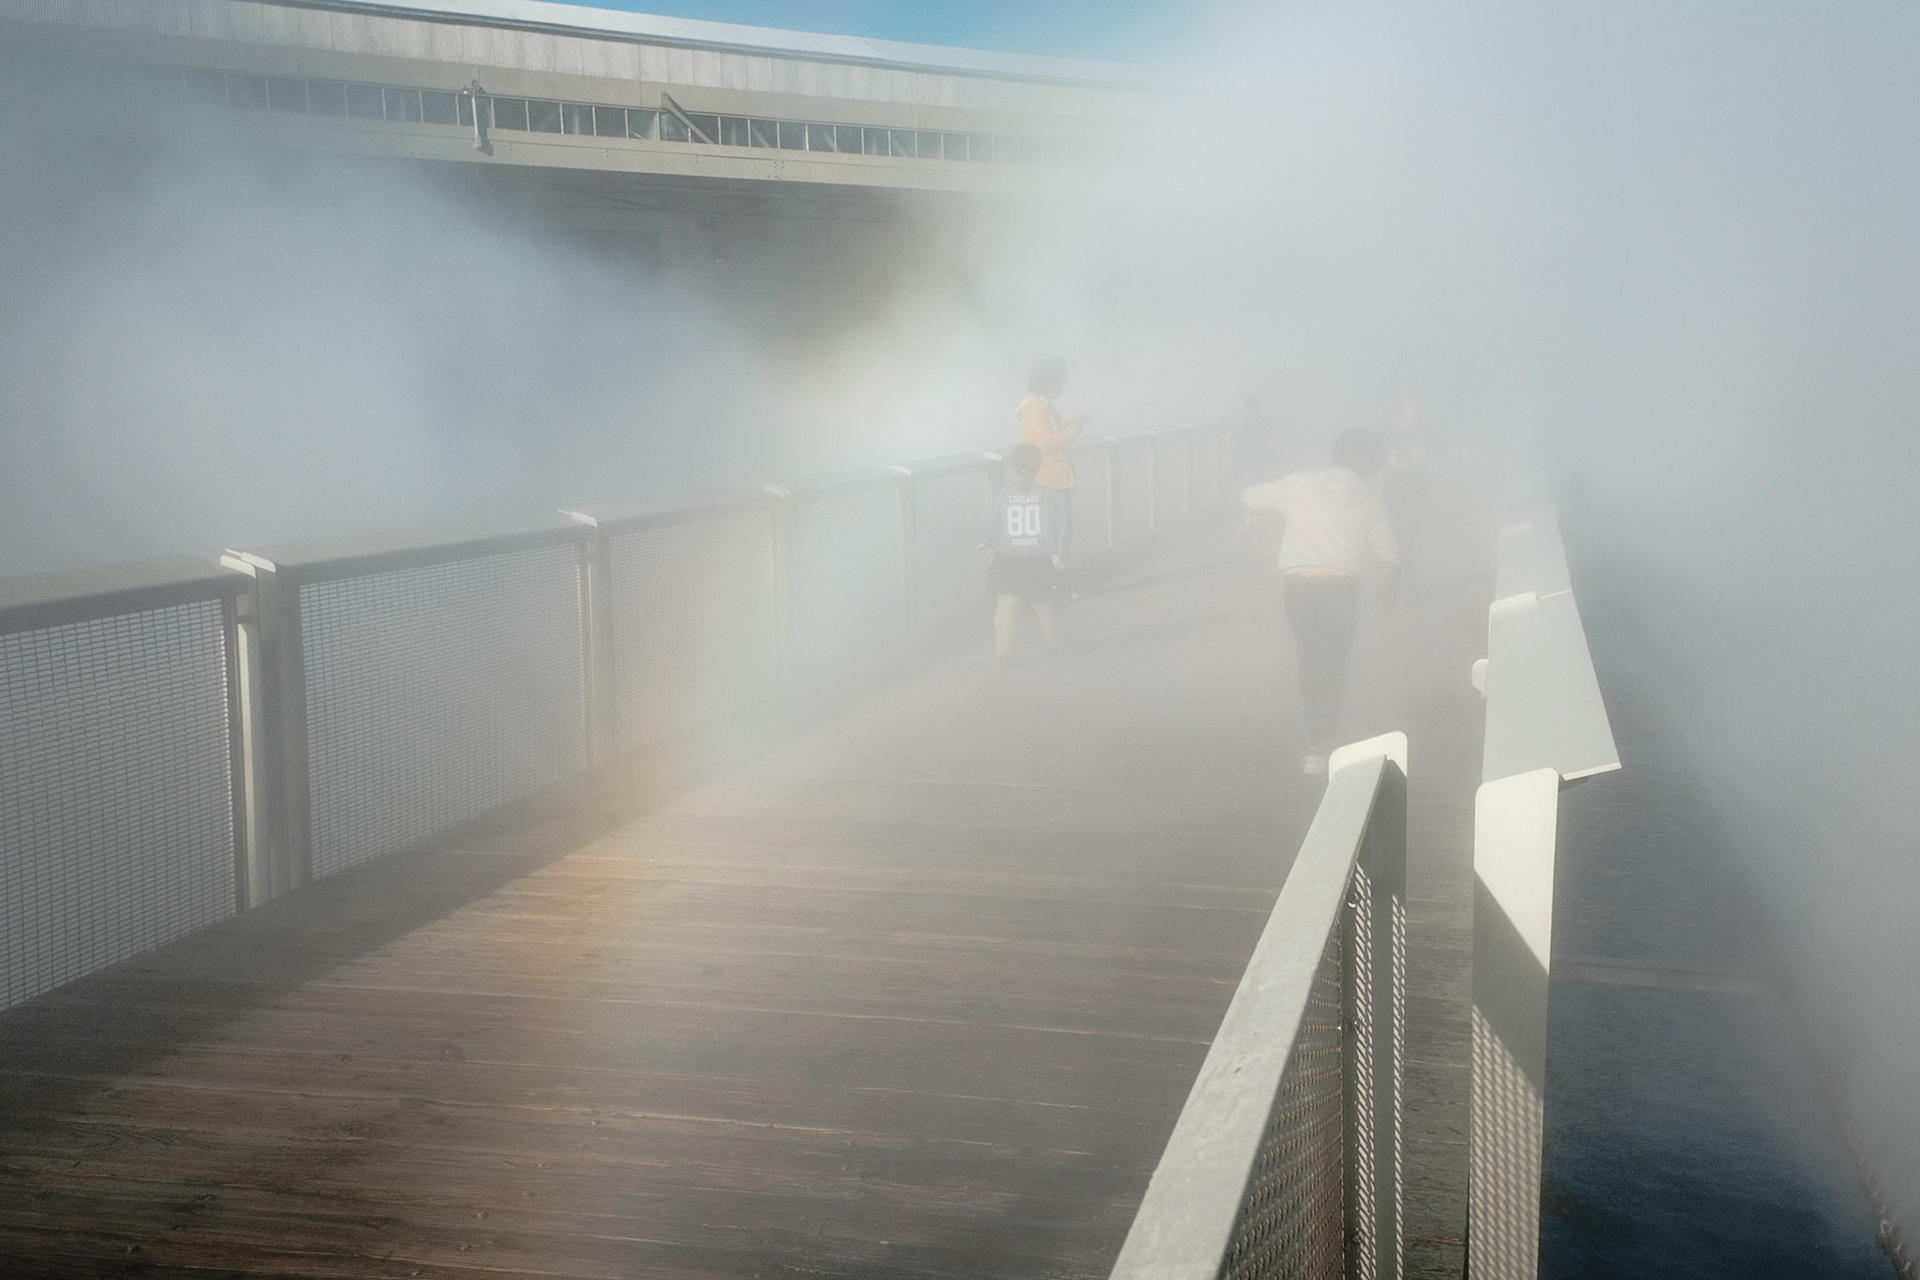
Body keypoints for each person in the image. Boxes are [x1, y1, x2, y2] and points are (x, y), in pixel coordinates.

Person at [1241, 428, 1403, 776]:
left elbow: (1250, 497)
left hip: (1298, 585)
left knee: (1309, 654)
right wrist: (1387, 589)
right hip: (1341, 587)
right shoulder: (1370, 502)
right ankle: (1323, 734)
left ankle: (1315, 733)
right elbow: (1390, 556)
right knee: (1335, 659)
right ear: (1365, 462)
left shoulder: (1299, 485)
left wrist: (1268, 513)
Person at [982, 443, 1066, 666]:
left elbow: (993, 521)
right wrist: (1054, 553)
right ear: (1037, 466)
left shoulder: (1004, 495)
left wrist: (987, 541)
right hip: (1037, 558)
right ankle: (1055, 646)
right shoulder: (1045, 495)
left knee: (1007, 603)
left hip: (1009, 558)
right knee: (1044, 602)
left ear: (1012, 467)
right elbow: (1050, 527)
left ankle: (1003, 654)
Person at [1016, 358, 1087, 562]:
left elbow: (1052, 435)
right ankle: (1055, 584)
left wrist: (1071, 425)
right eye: (1059, 383)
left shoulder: (1041, 406)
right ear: (1046, 383)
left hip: (1051, 478)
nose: (1061, 388)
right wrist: (1076, 428)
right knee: (1057, 534)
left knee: (1055, 533)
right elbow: (1047, 443)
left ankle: (1053, 582)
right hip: (1049, 480)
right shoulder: (1035, 409)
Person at [1228, 393, 1282, 485]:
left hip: (1260, 454)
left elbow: (1272, 435)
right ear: (1247, 406)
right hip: (1245, 454)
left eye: (1256, 403)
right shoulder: (1241, 420)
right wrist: (1230, 454)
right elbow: (1231, 436)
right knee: (1245, 478)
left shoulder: (1263, 420)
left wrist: (1270, 445)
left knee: (1260, 477)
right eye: (1251, 403)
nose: (1255, 406)